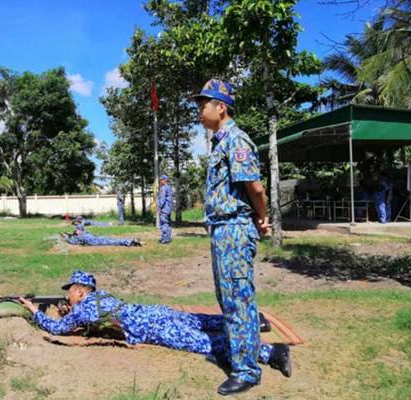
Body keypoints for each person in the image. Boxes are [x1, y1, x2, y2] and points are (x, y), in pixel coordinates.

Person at [18, 270, 291, 377]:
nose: (68, 296)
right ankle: (254, 322)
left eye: (70, 292)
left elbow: (57, 329)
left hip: (152, 327)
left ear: (79, 291)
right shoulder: (100, 297)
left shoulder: (83, 308)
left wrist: (34, 310)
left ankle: (271, 352)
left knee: (202, 341)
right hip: (154, 312)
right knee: (202, 321)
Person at [192, 79, 271, 395]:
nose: (199, 112)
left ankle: (247, 371)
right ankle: (242, 357)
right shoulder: (220, 142)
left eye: (203, 105)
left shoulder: (236, 140)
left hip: (234, 229)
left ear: (220, 107)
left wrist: (262, 217)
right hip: (223, 229)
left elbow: (256, 188)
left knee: (238, 299)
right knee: (228, 298)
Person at [62, 222, 141, 247]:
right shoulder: (81, 235)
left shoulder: (81, 234)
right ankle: (130, 242)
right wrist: (68, 236)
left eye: (77, 229)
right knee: (114, 242)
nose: (76, 230)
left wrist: (67, 237)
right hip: (96, 241)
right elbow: (73, 241)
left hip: (97, 240)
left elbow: (72, 241)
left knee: (113, 240)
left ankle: (131, 241)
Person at [157, 175, 174, 244]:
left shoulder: (163, 188)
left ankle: (165, 239)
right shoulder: (169, 188)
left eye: (161, 180)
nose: (160, 181)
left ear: (164, 180)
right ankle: (168, 238)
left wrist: (159, 207)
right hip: (169, 209)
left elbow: (162, 199)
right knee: (168, 224)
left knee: (163, 224)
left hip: (164, 209)